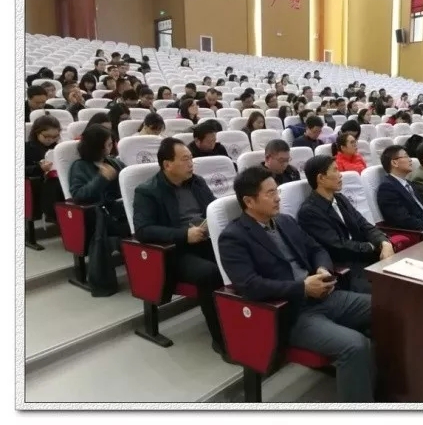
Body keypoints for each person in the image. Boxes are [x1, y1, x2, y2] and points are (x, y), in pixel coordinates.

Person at [218, 166, 374, 402]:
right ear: (249, 201)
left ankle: (384, 385)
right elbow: (250, 285)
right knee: (355, 345)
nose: (278, 198)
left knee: (386, 309)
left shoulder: (285, 221)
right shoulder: (234, 237)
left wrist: (322, 269)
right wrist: (302, 288)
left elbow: (316, 249)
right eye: (270, 193)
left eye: (277, 191)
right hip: (290, 312)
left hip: (324, 295)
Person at [133, 137, 227, 360]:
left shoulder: (197, 182)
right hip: (175, 251)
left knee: (239, 256)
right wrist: (183, 235)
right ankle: (221, 338)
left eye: (191, 158)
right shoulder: (147, 191)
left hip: (204, 240)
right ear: (167, 164)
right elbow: (144, 230)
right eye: (185, 159)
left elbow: (213, 208)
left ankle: (243, 322)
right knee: (210, 273)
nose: (191, 163)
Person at [299, 155, 393, 294]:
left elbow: (364, 225)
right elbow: (338, 245)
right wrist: (371, 246)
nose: (340, 175)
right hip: (347, 270)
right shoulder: (309, 211)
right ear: (321, 178)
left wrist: (384, 242)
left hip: (365, 258)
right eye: (335, 170)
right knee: (389, 291)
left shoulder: (340, 198)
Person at [69, 124, 130, 295]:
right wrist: (101, 178)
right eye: (108, 144)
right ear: (97, 147)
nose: (112, 147)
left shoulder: (114, 162)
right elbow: (78, 195)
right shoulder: (79, 166)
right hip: (99, 216)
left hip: (119, 211)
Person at [376, 145, 423, 235]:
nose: (410, 160)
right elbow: (402, 219)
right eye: (406, 156)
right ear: (394, 163)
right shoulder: (387, 188)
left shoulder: (410, 183)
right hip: (420, 233)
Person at [25, 115, 65, 223]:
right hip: (38, 185)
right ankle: (54, 214)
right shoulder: (27, 148)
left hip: (58, 182)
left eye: (55, 136)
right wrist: (39, 168)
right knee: (54, 183)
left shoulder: (59, 148)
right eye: (47, 136)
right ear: (37, 133)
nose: (51, 139)